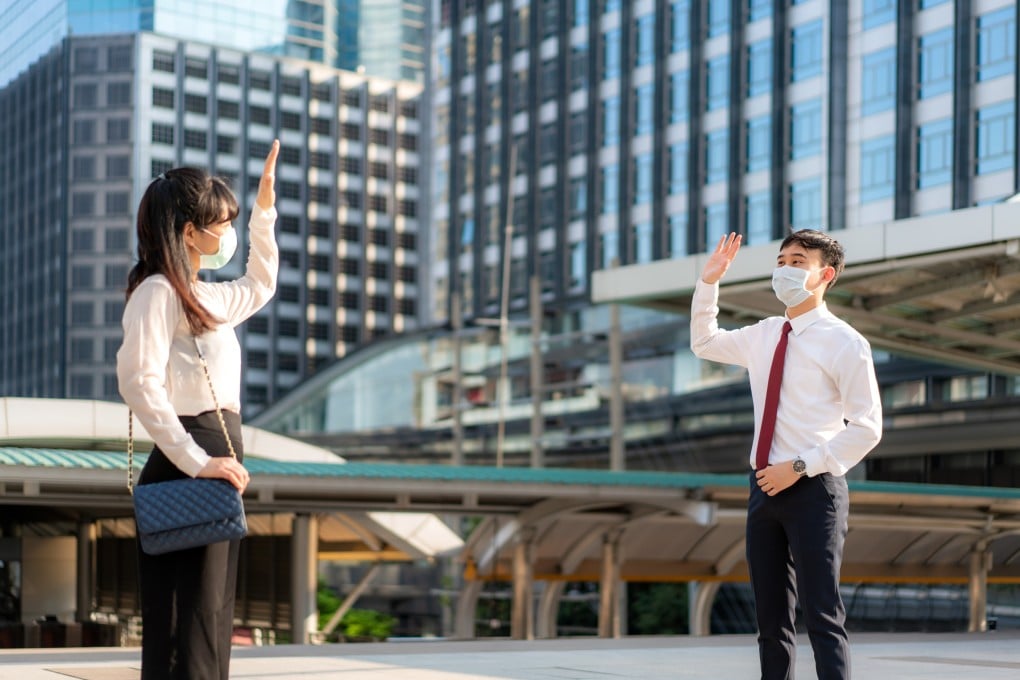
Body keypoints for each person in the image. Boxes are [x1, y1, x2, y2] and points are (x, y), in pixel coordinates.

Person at [117, 140, 280, 680]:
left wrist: (263, 211)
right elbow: (138, 383)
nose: (226, 231)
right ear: (190, 232)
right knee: (185, 624)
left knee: (208, 618)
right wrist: (198, 461)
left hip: (215, 456)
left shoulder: (204, 295)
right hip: (191, 458)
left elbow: (260, 284)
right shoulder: (157, 293)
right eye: (221, 223)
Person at [690, 230, 882, 680]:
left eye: (798, 262)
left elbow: (867, 428)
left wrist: (798, 467)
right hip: (763, 489)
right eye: (781, 261)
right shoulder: (765, 334)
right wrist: (709, 282)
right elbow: (704, 343)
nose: (785, 270)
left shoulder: (845, 341)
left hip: (815, 489)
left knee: (822, 616)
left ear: (826, 275)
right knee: (770, 621)